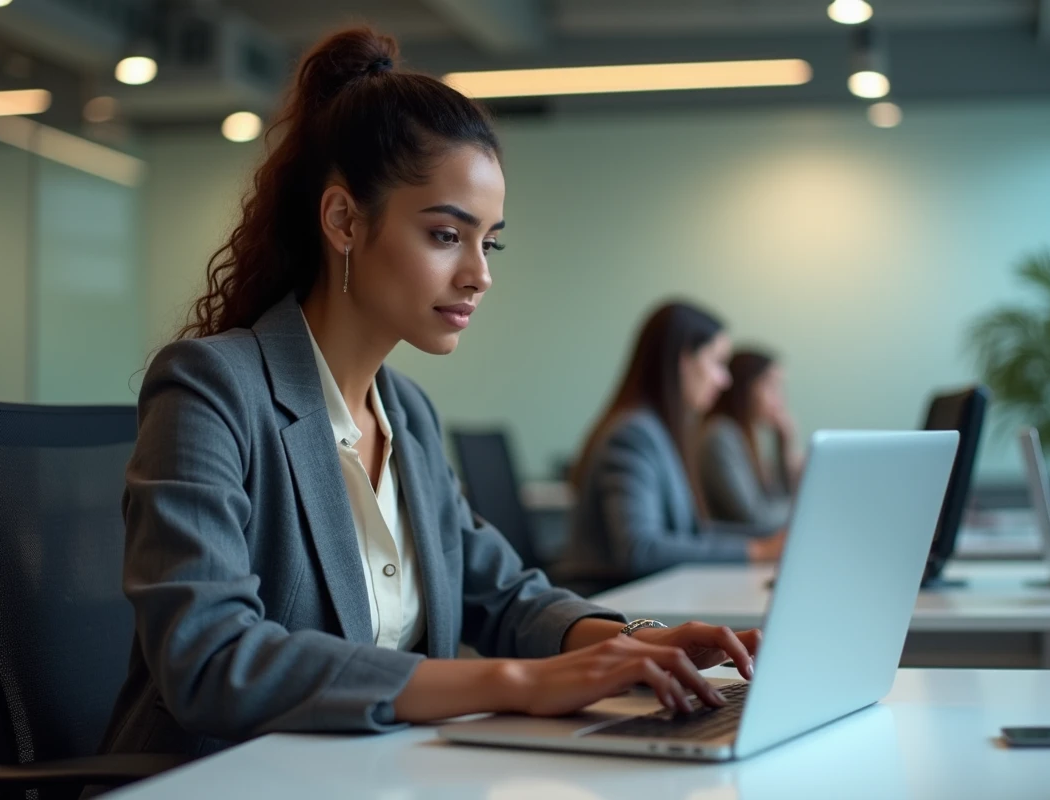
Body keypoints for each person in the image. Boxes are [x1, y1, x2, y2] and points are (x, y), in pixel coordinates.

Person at [97, 27, 764, 763]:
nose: (480, 274)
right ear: (344, 220)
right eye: (448, 235)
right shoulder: (211, 387)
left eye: (490, 242)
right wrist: (517, 683)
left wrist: (640, 642)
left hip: (379, 773)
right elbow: (211, 659)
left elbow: (505, 597)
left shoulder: (406, 412)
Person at [561, 303, 785, 584]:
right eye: (717, 363)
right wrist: (758, 550)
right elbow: (640, 549)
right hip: (609, 601)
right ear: (684, 360)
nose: (724, 380)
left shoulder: (661, 431)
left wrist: (768, 542)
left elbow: (691, 534)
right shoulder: (633, 434)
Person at [699, 350, 804, 531]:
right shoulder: (721, 436)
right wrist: (806, 510)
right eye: (771, 386)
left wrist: (784, 447)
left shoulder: (748, 436)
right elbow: (756, 517)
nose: (780, 399)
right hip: (737, 549)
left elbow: (774, 502)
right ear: (746, 387)